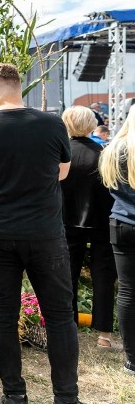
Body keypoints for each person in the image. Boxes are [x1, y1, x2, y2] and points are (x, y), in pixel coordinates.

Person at [0, 63, 80, 404]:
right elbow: (62, 173)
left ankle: (14, 395)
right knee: (60, 315)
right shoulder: (50, 123)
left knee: (3, 313)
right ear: (19, 88)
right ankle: (66, 397)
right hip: (44, 232)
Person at [60, 106, 117, 350]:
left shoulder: (62, 155)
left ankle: (67, 327)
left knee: (67, 275)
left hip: (67, 221)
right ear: (92, 124)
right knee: (104, 276)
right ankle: (104, 334)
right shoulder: (106, 153)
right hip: (103, 222)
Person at [98, 106, 135, 376]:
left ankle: (132, 360)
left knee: (128, 292)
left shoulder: (113, 149)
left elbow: (109, 186)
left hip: (121, 223)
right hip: (122, 223)